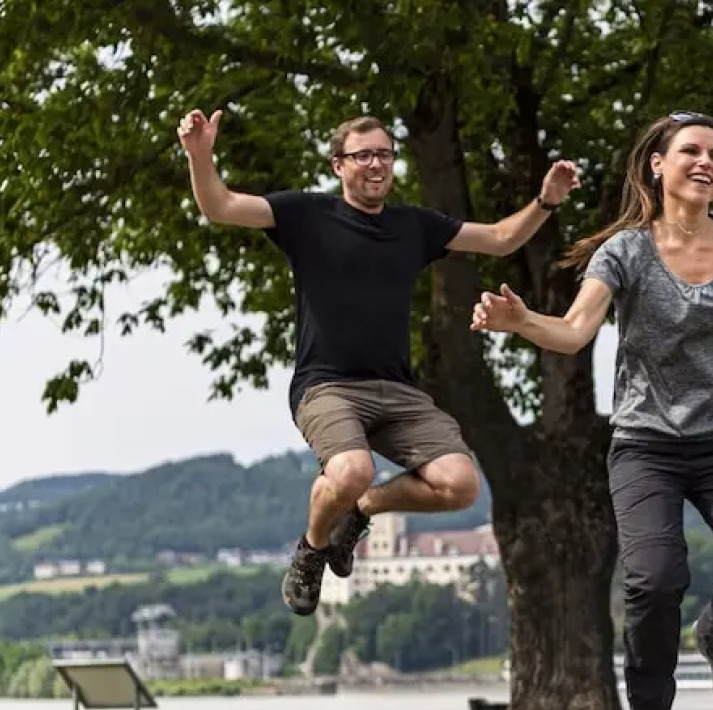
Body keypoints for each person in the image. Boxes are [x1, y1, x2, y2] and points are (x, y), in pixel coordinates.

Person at [470, 111, 713, 710]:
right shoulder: (625, 252)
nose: (705, 162)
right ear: (656, 166)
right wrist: (520, 322)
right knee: (655, 580)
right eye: (690, 151)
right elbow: (575, 333)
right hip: (645, 446)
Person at [176, 108, 581, 616]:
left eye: (385, 154)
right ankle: (312, 549)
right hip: (327, 387)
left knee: (460, 485)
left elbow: (500, 239)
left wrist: (546, 201)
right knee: (351, 470)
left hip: (398, 392)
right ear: (338, 165)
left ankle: (363, 511)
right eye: (363, 155)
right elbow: (221, 206)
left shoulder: (414, 226)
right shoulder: (306, 215)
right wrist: (199, 155)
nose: (376, 164)